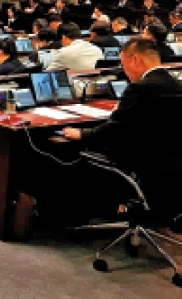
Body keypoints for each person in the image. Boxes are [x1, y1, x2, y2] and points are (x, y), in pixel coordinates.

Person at [40, 38, 182, 224]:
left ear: (135, 60)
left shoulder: (139, 88)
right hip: (172, 161)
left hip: (140, 161)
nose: (125, 70)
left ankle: (70, 217)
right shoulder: (177, 84)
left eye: (124, 64)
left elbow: (114, 130)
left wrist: (82, 134)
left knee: (67, 152)